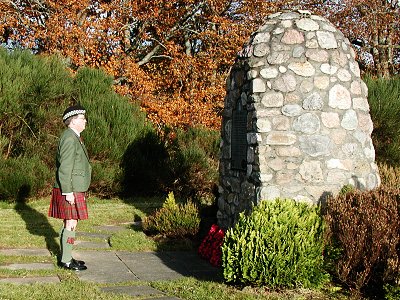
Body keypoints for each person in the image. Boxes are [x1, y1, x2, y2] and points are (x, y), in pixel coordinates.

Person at [48, 104, 91, 271]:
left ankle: (67, 256)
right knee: (71, 223)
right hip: (70, 188)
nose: (85, 121)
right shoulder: (69, 138)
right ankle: (66, 260)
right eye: (82, 118)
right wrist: (67, 192)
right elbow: (65, 167)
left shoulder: (74, 136)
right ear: (72, 121)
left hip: (74, 187)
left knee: (70, 222)